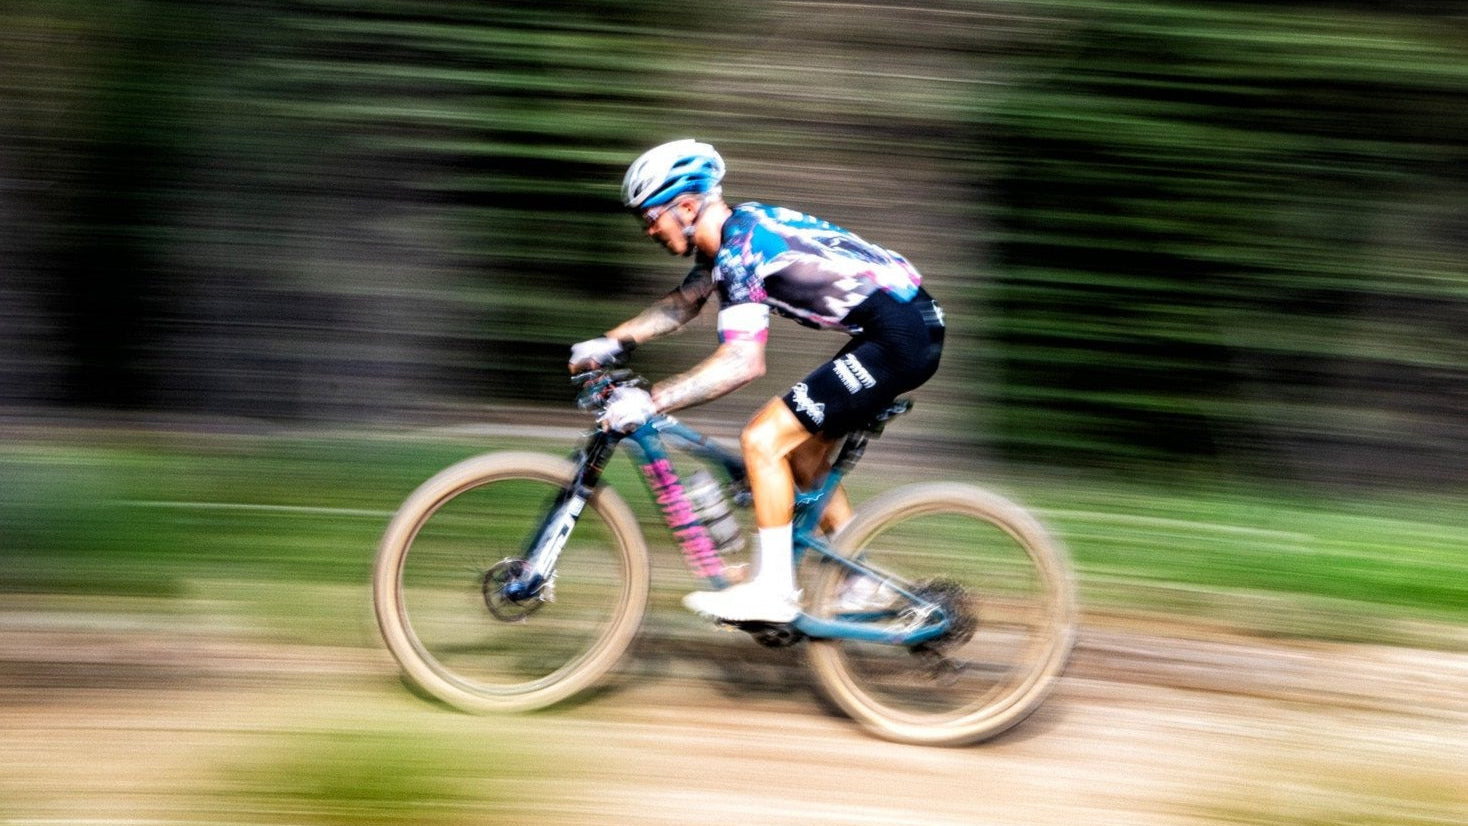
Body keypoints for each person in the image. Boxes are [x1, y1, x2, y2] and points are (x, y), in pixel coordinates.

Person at [569, 139, 945, 623]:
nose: (647, 231)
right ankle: (861, 581)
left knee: (762, 439)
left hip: (901, 338)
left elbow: (742, 362)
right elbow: (684, 303)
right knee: (802, 452)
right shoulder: (734, 235)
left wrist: (652, 400)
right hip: (902, 325)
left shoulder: (742, 250)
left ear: (685, 207)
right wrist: (611, 342)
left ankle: (774, 593)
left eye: (650, 217)